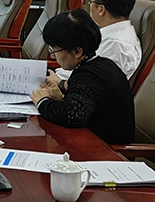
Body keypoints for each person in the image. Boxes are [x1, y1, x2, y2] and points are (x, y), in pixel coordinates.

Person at [30, 9, 134, 145]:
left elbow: (71, 116)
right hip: (95, 142)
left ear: (77, 51)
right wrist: (60, 98)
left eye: (55, 50)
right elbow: (84, 103)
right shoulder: (102, 64)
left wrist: (42, 101)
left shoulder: (88, 76)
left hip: (107, 150)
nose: (53, 56)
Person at [56, 0, 141, 81]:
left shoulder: (115, 44)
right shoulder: (117, 33)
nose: (89, 6)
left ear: (101, 9)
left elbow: (90, 80)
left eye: (91, 2)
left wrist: (57, 81)